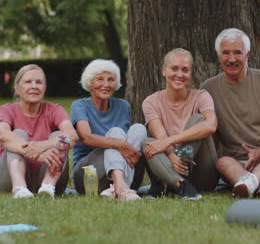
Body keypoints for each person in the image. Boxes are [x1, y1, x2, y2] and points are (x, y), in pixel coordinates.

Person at [201, 28, 260, 198]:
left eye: (238, 52)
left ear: (247, 55)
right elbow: (210, 136)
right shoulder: (208, 88)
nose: (231, 59)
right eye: (226, 53)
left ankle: (254, 182)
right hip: (237, 166)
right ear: (218, 56)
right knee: (222, 162)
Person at [142, 48, 218, 200]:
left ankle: (164, 184)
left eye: (185, 70)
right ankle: (182, 184)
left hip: (201, 173)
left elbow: (211, 125)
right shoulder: (151, 102)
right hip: (169, 167)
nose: (179, 74)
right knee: (147, 143)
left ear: (190, 74)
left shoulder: (201, 96)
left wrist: (170, 143)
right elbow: (160, 136)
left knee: (198, 119)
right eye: (174, 68)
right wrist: (170, 155)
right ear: (164, 71)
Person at [71, 59, 147, 201]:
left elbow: (128, 147)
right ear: (90, 83)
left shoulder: (123, 106)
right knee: (116, 134)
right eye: (100, 79)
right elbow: (86, 137)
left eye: (111, 80)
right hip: (88, 176)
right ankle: (121, 186)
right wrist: (119, 144)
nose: (106, 85)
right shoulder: (79, 106)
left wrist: (121, 144)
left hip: (122, 172)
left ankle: (119, 187)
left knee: (139, 129)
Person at [0, 64, 78, 198]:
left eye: (39, 82)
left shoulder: (54, 109)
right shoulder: (7, 109)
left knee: (60, 136)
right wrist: (38, 155)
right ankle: (19, 188)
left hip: (50, 176)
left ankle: (48, 187)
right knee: (17, 134)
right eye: (28, 82)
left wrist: (42, 145)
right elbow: (3, 134)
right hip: (10, 178)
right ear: (17, 88)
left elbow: (72, 135)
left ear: (44, 88)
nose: (34, 86)